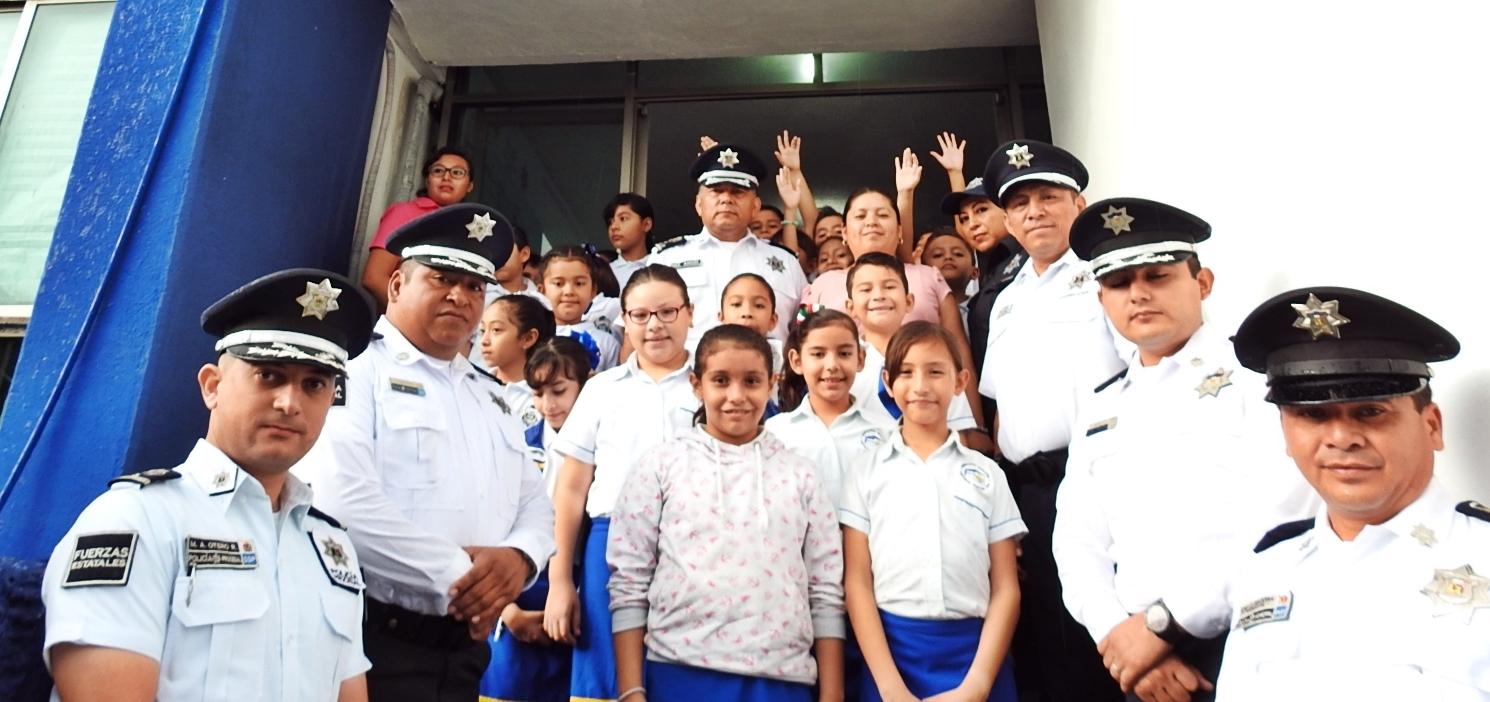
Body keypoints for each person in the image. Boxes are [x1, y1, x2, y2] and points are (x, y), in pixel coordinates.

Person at [42, 268, 377, 701]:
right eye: (269, 375)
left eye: (314, 384)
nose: (290, 402)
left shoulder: (331, 547)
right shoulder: (136, 521)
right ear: (212, 387)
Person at [1053, 198, 1320, 701]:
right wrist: (1116, 634)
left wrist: (1162, 626)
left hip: (1252, 641)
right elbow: (1075, 539)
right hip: (1138, 663)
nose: (1138, 295)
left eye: (1157, 276)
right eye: (1118, 284)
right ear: (1102, 300)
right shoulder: (1101, 407)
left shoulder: (1257, 380)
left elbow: (1283, 515)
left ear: (1203, 283)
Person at [294, 204, 556, 702]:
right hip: (375, 640)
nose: (460, 296)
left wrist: (521, 559)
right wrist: (473, 584)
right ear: (396, 286)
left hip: (465, 650)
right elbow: (342, 505)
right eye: (442, 279)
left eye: (474, 286)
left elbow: (535, 503)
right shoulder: (352, 374)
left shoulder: (492, 396)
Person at [1215, 286, 1486, 700]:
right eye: (1312, 415)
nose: (1341, 437)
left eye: (1370, 412)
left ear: (1431, 426)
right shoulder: (1268, 568)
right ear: (1285, 434)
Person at [607, 324, 846, 702]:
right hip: (678, 673)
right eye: (720, 380)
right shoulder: (661, 466)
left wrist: (832, 696)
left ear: (772, 384)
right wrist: (632, 690)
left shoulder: (800, 473)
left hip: (782, 679)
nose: (737, 396)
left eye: (751, 381)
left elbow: (825, 590)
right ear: (696, 384)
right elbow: (629, 583)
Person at [976, 139, 1128, 702]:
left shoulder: (1108, 276)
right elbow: (1000, 403)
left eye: (1048, 196)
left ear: (1079, 204)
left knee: (1101, 629)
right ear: (1008, 218)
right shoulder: (1007, 297)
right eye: (1020, 203)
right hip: (1028, 491)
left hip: (1092, 478)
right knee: (1046, 630)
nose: (1034, 211)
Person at [840, 321, 1024, 701]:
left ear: (961, 381)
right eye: (906, 373)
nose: (921, 386)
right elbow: (857, 582)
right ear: (888, 383)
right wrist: (890, 689)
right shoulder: (864, 471)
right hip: (891, 655)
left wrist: (977, 685)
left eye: (935, 371)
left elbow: (1006, 586)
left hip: (975, 655)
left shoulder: (988, 475)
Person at [544, 264, 701, 701]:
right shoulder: (603, 389)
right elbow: (571, 490)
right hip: (612, 542)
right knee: (605, 676)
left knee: (684, 672)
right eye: (640, 315)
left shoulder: (710, 387)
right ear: (624, 320)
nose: (655, 325)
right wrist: (561, 582)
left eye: (668, 312)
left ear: (691, 312)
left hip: (701, 543)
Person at [480, 336, 594, 702]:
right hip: (518, 586)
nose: (548, 405)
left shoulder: (607, 449)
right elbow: (490, 527)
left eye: (559, 391)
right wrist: (507, 610)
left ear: (588, 385)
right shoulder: (516, 444)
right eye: (537, 393)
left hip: (581, 590)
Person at [651, 143, 807, 346]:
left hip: (770, 375)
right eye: (716, 191)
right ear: (699, 204)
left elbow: (806, 329)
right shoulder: (666, 259)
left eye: (737, 192)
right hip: (687, 375)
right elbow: (637, 329)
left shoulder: (786, 262)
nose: (726, 199)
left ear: (755, 206)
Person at [843, 253, 980, 439]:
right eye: (866, 289)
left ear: (909, 301)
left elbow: (957, 433)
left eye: (889, 287)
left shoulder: (937, 358)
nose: (879, 296)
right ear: (850, 308)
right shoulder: (843, 364)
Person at [363, 147, 477, 308]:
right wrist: (411, 316)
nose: (446, 177)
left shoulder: (472, 226)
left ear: (470, 185)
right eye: (438, 171)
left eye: (457, 173)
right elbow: (374, 278)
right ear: (427, 180)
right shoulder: (404, 212)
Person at [479, 294, 557, 428]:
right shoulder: (475, 384)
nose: (484, 341)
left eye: (496, 330)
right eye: (482, 331)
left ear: (528, 338)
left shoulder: (544, 395)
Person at [540, 245, 621, 373]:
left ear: (593, 290)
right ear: (541, 290)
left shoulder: (606, 342)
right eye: (558, 284)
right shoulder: (533, 338)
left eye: (579, 283)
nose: (569, 291)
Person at [717, 272, 782, 375]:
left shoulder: (785, 366)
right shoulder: (710, 360)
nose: (747, 313)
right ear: (722, 317)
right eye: (736, 304)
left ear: (772, 320)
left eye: (759, 305)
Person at [920, 226, 978, 333]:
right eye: (938, 255)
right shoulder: (919, 311)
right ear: (923, 270)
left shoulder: (984, 308)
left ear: (975, 272)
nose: (948, 257)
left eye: (958, 254)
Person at [605, 193, 654, 291]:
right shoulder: (604, 273)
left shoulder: (662, 265)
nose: (614, 227)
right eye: (610, 222)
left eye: (623, 219)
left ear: (646, 224)